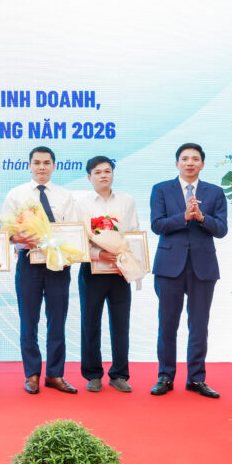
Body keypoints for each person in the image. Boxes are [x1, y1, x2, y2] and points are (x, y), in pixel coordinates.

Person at [150, 143, 227, 398]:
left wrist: (202, 218)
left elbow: (222, 230)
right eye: (185, 159)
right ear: (177, 163)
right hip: (169, 267)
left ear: (202, 164)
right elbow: (157, 225)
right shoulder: (161, 189)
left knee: (199, 326)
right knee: (167, 324)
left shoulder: (215, 192)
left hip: (203, 268)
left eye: (195, 159)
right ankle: (165, 376)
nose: (190, 163)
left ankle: (196, 379)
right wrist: (183, 217)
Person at [2, 146, 78, 394]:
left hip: (59, 264)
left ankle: (55, 374)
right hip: (28, 262)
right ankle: (32, 374)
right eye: (37, 163)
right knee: (29, 320)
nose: (42, 167)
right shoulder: (16, 194)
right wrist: (19, 236)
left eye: (46, 163)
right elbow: (6, 232)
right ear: (30, 166)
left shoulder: (65, 196)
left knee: (57, 320)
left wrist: (69, 253)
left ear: (54, 166)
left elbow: (73, 230)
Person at [75, 156, 138, 393]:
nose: (103, 175)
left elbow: (133, 233)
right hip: (92, 269)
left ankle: (119, 374)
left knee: (121, 322)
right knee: (90, 322)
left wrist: (124, 255)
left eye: (107, 171)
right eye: (98, 172)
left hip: (120, 269)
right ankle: (92, 374)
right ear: (89, 177)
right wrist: (98, 254)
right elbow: (76, 238)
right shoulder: (81, 204)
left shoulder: (126, 200)